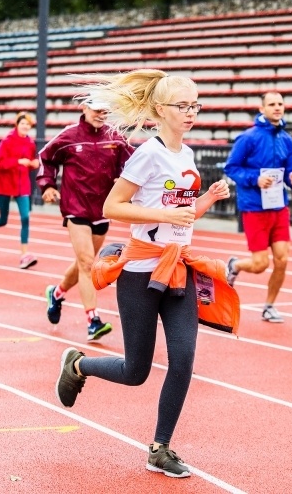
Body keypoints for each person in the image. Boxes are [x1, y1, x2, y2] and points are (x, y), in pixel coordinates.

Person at [54, 69, 231, 478]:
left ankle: (160, 448)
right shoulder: (147, 154)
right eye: (183, 106)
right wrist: (163, 213)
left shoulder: (185, 155)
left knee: (184, 359)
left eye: (195, 105)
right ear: (158, 110)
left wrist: (206, 199)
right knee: (136, 372)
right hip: (140, 273)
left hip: (179, 270)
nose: (191, 112)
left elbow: (180, 218)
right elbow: (112, 208)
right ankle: (78, 365)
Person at [37, 98, 133, 341]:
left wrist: (125, 184)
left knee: (83, 262)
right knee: (88, 263)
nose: (100, 113)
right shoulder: (70, 135)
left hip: (103, 209)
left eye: (105, 110)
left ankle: (57, 293)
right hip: (75, 207)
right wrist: (47, 185)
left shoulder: (115, 137)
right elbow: (45, 157)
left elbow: (133, 165)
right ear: (84, 108)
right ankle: (93, 321)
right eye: (96, 109)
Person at [223, 92, 292, 322]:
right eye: (272, 104)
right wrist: (255, 178)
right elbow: (231, 167)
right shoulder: (248, 138)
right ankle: (235, 264)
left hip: (278, 206)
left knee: (282, 259)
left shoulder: (286, 139)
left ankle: (269, 306)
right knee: (259, 264)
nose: (277, 108)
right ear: (262, 108)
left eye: (280, 104)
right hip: (254, 207)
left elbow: (290, 171)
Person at [0, 111, 40, 268]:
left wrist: (34, 163)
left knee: (25, 218)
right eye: (23, 123)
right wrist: (18, 161)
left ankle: (24, 255)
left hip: (22, 185)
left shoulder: (31, 143)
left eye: (28, 124)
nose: (25, 126)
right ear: (17, 125)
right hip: (5, 184)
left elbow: (33, 160)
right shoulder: (7, 141)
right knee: (3, 220)